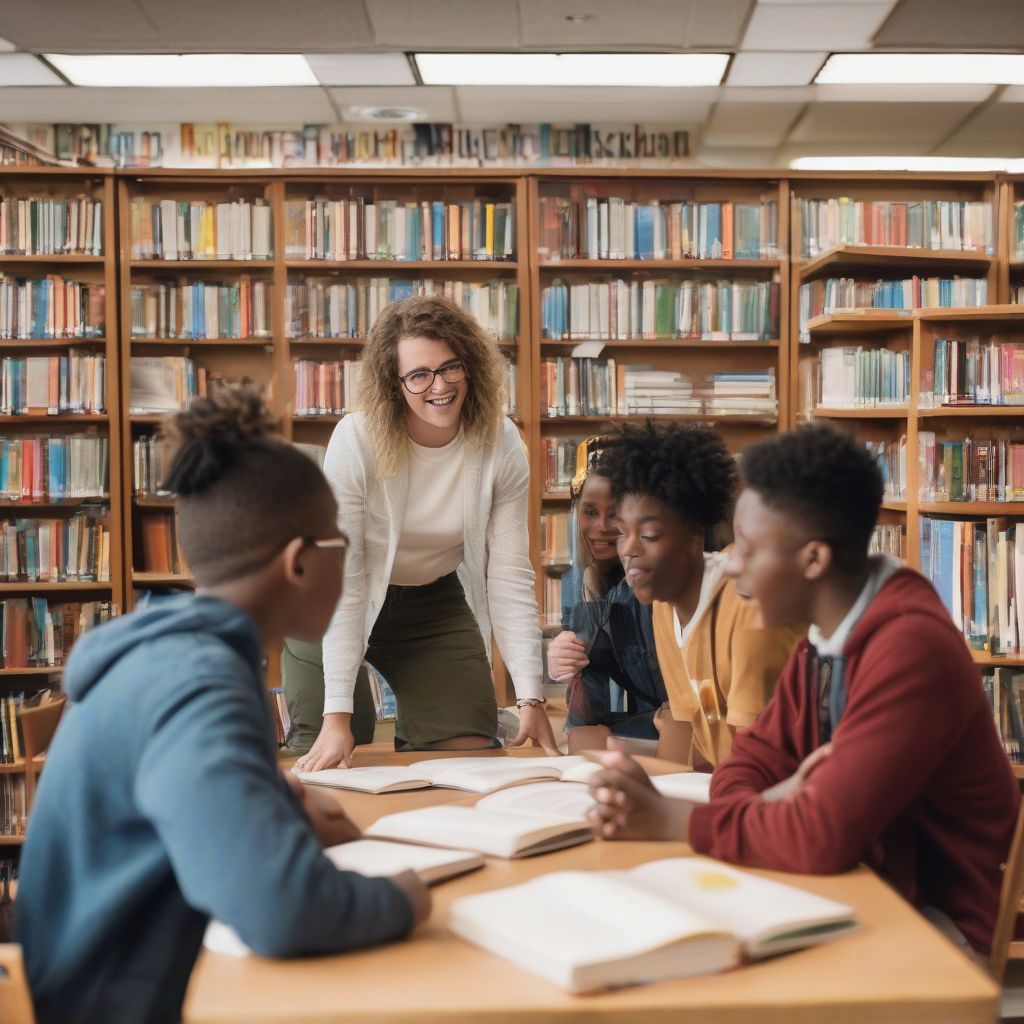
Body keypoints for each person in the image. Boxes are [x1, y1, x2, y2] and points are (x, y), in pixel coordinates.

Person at [15, 385, 430, 1024]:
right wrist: (406, 899)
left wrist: (277, 810)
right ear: (298, 563)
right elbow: (279, 910)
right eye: (342, 547)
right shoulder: (199, 682)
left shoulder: (176, 656)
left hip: (129, 975)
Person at [588, 423, 1020, 958]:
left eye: (748, 547)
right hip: (861, 884)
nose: (733, 564)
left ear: (813, 560)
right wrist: (782, 800)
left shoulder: (909, 648)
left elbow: (821, 834)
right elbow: (746, 765)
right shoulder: (825, 639)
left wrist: (668, 819)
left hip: (939, 925)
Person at [294, 295, 558, 772]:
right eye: (418, 375)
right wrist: (338, 717)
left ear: (471, 366)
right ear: (394, 385)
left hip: (430, 603)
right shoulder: (356, 440)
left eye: (450, 367)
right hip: (327, 600)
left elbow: (509, 573)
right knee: (327, 753)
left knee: (468, 753)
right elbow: (347, 576)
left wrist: (531, 697)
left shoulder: (500, 441)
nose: (438, 386)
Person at [595, 421, 802, 767]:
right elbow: (707, 729)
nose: (629, 550)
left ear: (694, 536)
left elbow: (761, 763)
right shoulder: (666, 601)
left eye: (649, 535)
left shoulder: (750, 609)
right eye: (621, 532)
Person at [548, 436, 669, 752]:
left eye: (614, 512)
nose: (600, 526)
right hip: (650, 735)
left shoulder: (663, 585)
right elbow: (586, 719)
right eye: (589, 512)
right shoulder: (589, 584)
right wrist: (567, 666)